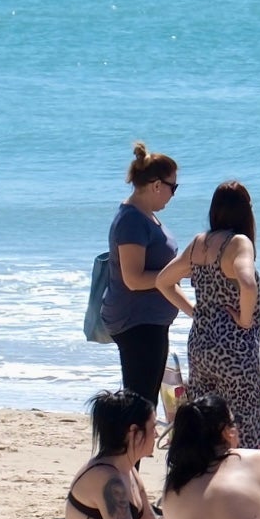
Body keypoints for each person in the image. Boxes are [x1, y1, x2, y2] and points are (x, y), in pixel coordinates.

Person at [156, 181, 260, 445]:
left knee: (206, 427)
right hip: (235, 350)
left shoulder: (198, 244)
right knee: (242, 427)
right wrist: (245, 321)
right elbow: (247, 284)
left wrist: (195, 312)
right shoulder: (239, 243)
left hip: (201, 346)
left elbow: (162, 281)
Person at [103, 142, 181, 407]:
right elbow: (133, 278)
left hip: (151, 321)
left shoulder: (146, 216)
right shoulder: (132, 220)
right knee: (140, 402)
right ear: (157, 185)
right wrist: (173, 274)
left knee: (144, 401)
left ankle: (136, 446)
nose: (173, 194)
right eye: (174, 187)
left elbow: (163, 275)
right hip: (136, 321)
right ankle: (131, 448)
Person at [64, 389, 164, 519]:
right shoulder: (106, 478)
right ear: (134, 432)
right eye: (152, 428)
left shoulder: (129, 471)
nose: (156, 434)